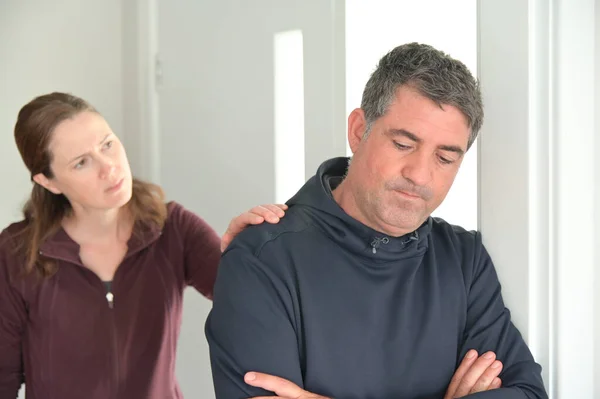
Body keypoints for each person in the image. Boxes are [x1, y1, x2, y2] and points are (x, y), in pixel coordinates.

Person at [205, 43, 548, 399]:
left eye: (445, 158)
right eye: (403, 144)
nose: (420, 175)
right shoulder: (261, 260)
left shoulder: (464, 260)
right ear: (358, 130)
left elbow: (528, 394)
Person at [0, 92, 287, 399]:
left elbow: (257, 301)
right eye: (82, 162)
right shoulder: (15, 253)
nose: (108, 167)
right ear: (49, 182)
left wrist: (249, 247)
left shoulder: (173, 227)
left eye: (107, 145)